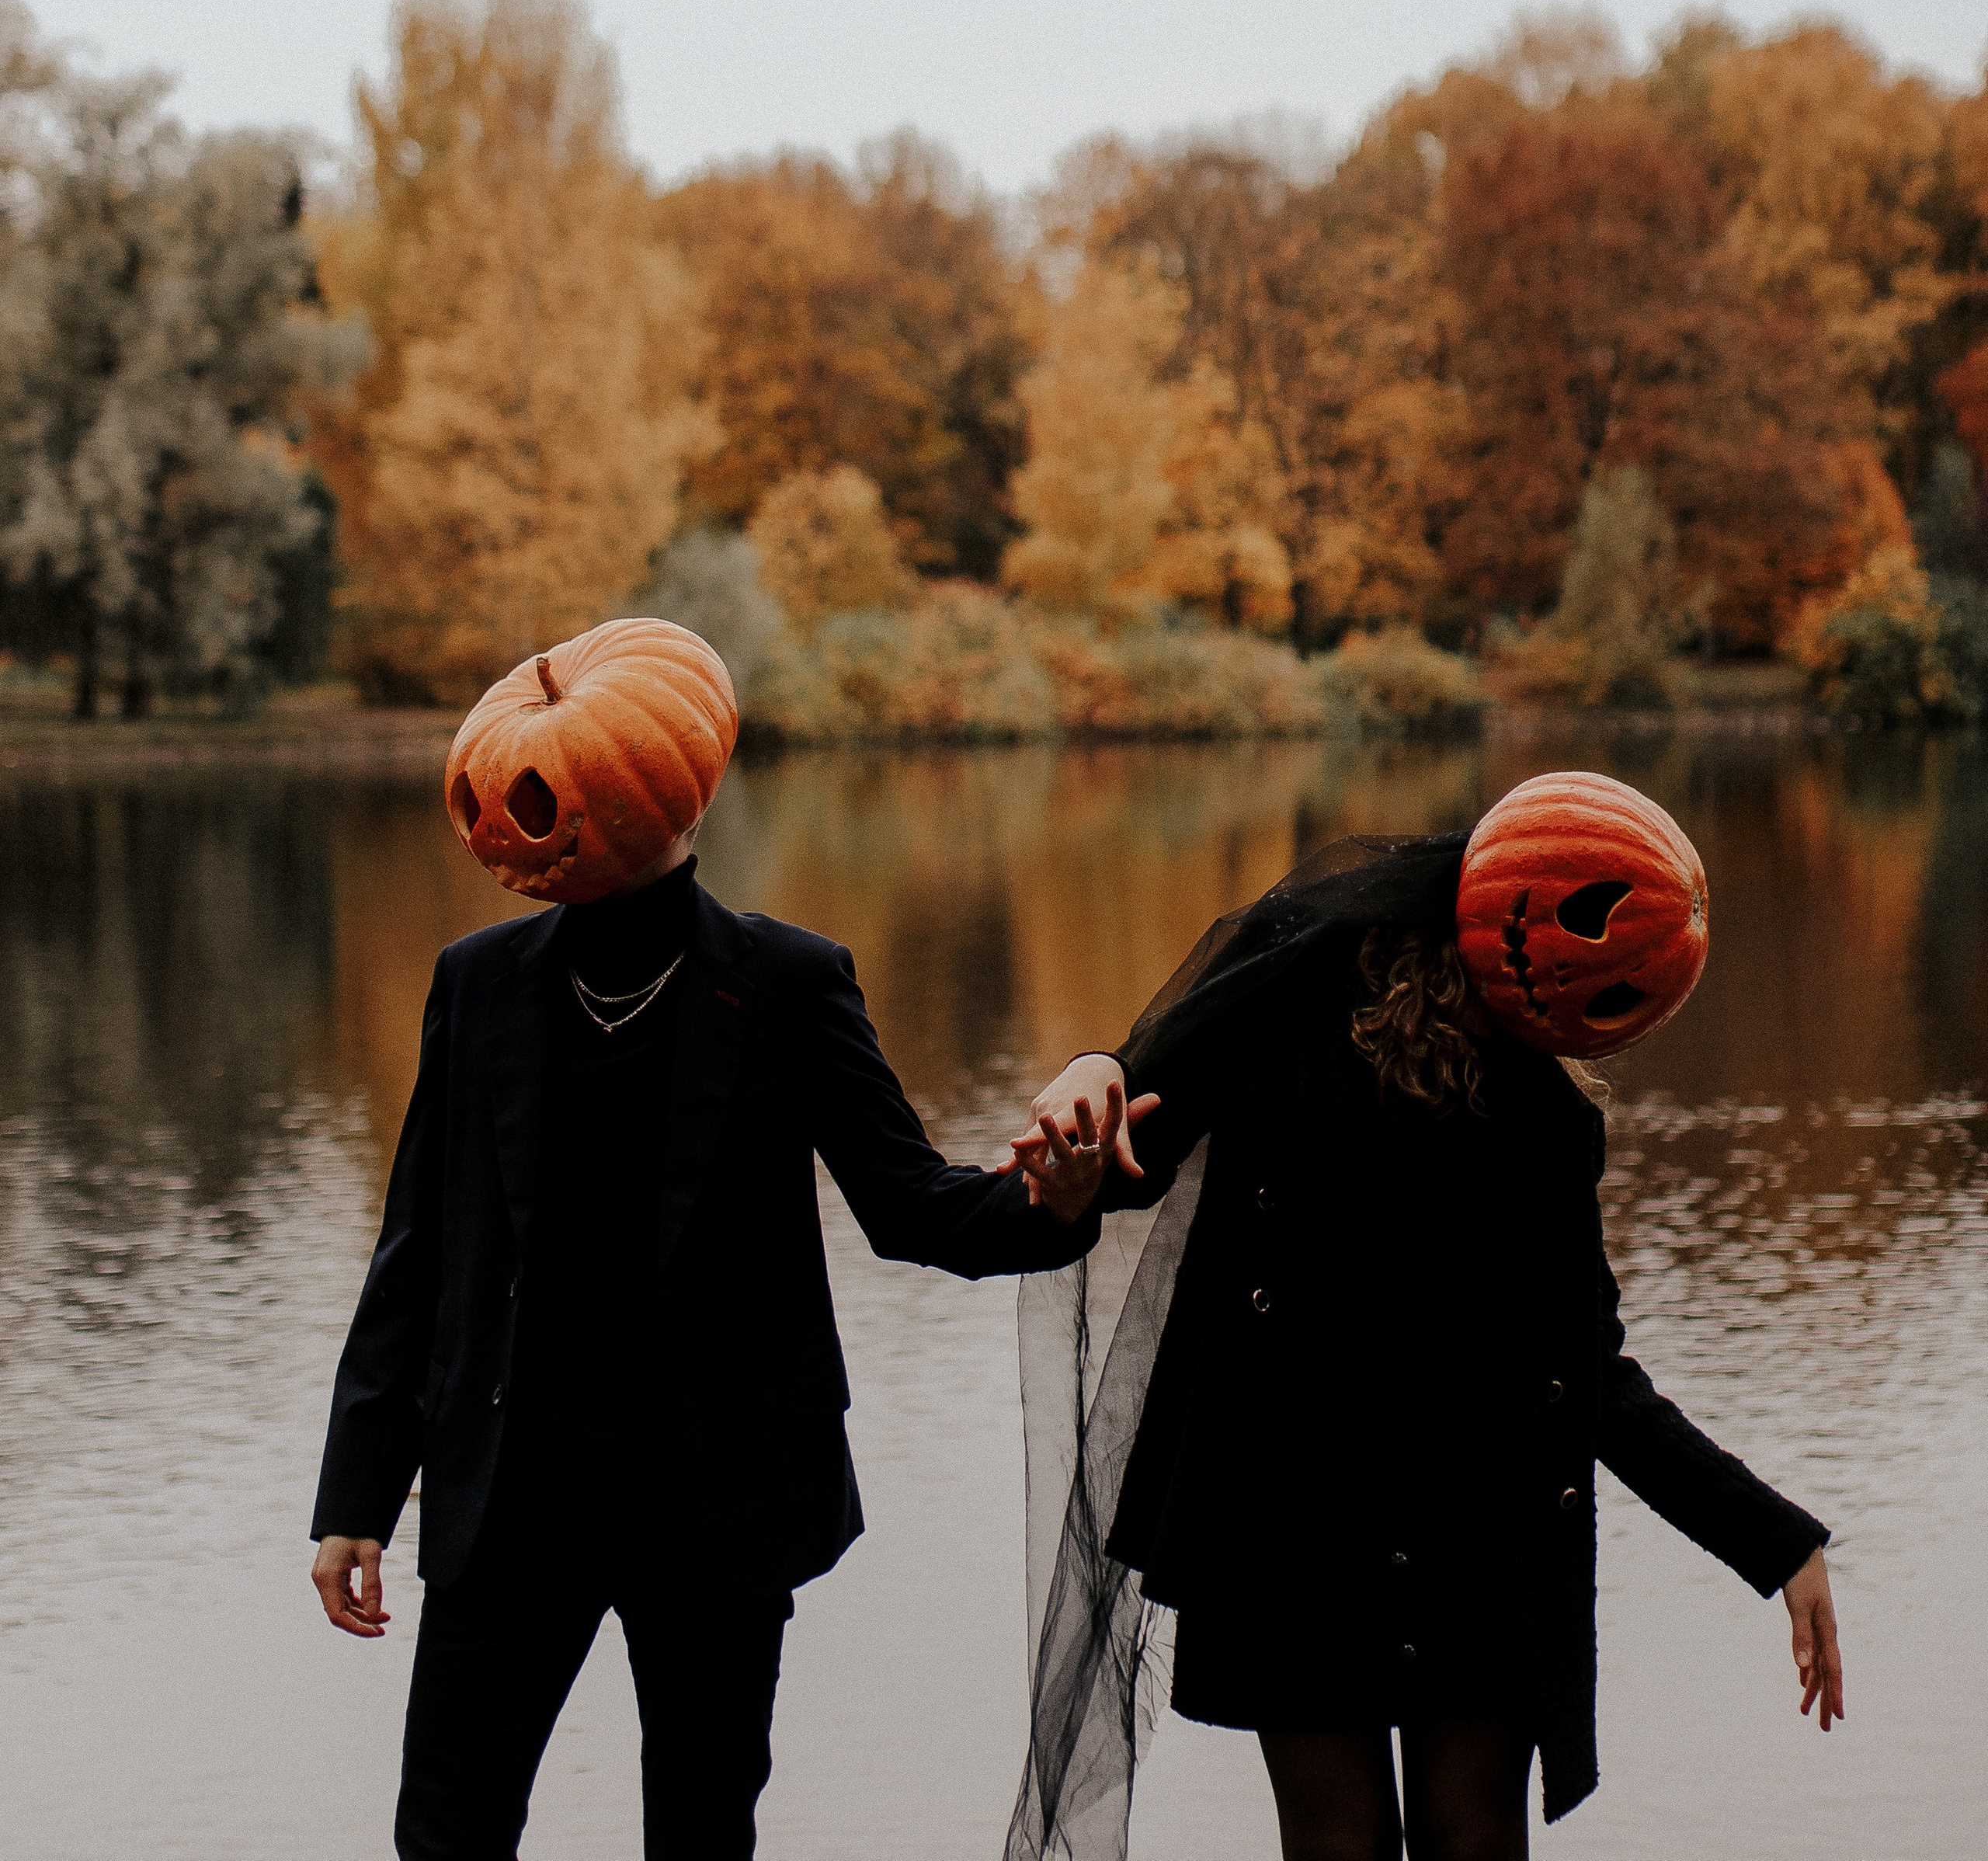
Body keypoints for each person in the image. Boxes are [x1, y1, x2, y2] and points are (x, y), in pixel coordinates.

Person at [309, 618, 1117, 1861]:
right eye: (526, 790)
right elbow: (414, 1249)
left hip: (716, 1502)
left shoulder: (789, 984)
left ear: (678, 780)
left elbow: (910, 1206)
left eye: (558, 788)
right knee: (447, 1831)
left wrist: (1056, 1204)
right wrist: (356, 1494)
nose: (541, 807)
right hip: (511, 1494)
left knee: (702, 1829)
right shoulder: (478, 984)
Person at [1000, 779, 1844, 1861]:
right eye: (1584, 943)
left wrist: (1776, 1542)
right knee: (1341, 1843)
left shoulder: (1545, 1119)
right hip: (1294, 1519)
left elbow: (1591, 1378)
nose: (1591, 982)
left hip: (1476, 1537)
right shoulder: (1294, 992)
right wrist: (1090, 1088)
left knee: (1470, 1838)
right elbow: (1129, 1141)